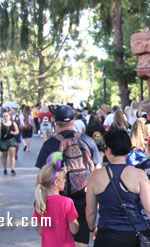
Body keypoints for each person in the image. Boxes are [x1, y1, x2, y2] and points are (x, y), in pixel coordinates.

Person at [85, 128, 150, 247]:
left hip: (106, 235)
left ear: (108, 150)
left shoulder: (95, 176)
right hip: (135, 235)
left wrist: (92, 228)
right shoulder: (139, 175)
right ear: (128, 150)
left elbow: (90, 211)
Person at [35, 105, 101, 247]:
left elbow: (41, 175)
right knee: (81, 240)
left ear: (55, 122)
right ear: (74, 119)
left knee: (57, 238)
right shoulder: (87, 140)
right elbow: (97, 170)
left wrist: (39, 200)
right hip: (84, 199)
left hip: (56, 201)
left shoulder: (49, 144)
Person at [33, 152, 79, 247]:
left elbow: (40, 231)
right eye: (64, 179)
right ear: (56, 182)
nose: (65, 181)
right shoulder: (66, 202)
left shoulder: (40, 202)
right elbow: (74, 230)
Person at [0, 111, 19, 175]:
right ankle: (5, 168)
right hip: (3, 141)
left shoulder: (13, 123)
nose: (5, 117)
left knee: (12, 155)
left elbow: (17, 131)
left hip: (11, 140)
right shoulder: (1, 125)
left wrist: (13, 133)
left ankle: (12, 169)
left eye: (7, 116)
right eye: (4, 116)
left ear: (9, 117)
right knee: (4, 155)